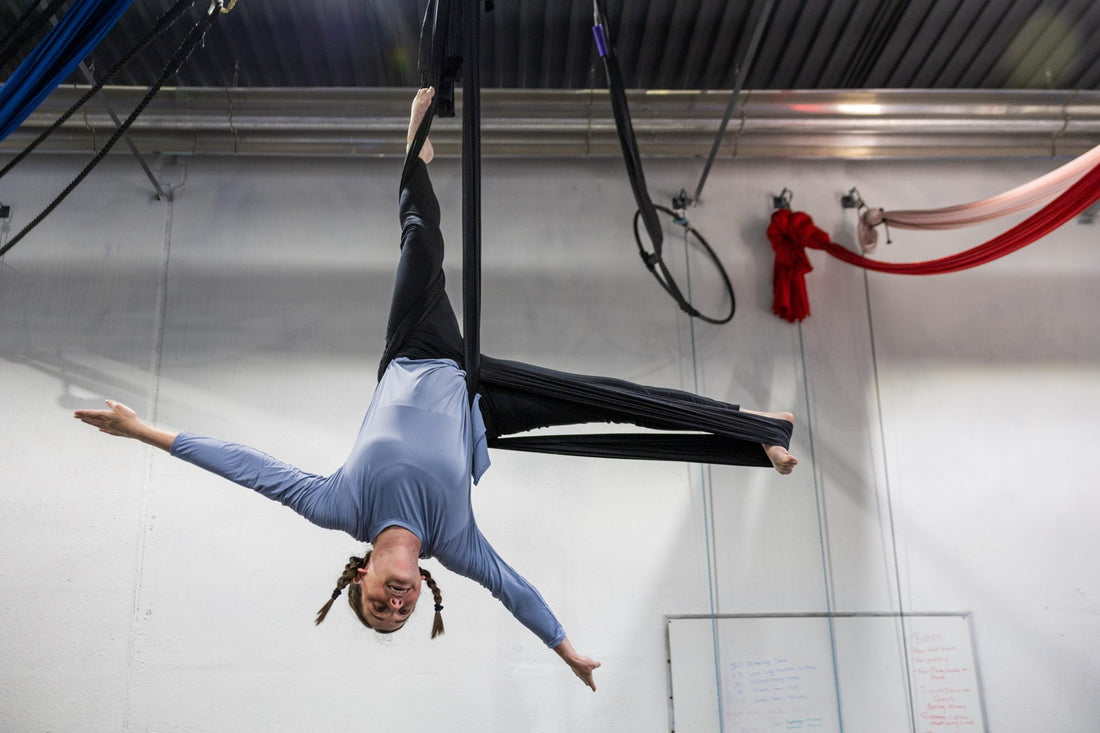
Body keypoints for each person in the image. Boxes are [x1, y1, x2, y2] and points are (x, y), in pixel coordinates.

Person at [75, 87, 797, 693]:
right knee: (608, 398)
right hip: (482, 403)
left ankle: (415, 150)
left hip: (415, 350)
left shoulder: (340, 505)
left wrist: (142, 432)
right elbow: (512, 586)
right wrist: (564, 646)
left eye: (378, 606)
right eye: (403, 612)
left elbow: (248, 467)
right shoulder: (452, 540)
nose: (398, 603)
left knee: (422, 238)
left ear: (359, 575)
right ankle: (758, 433)